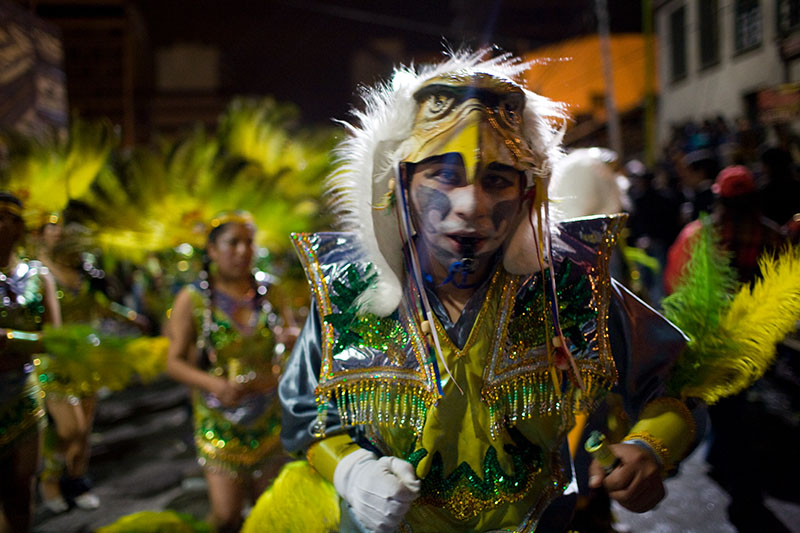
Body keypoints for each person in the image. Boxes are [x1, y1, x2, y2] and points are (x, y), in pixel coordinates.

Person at [278, 51, 697, 532]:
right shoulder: (353, 290)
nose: (471, 205)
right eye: (444, 174)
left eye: (496, 179)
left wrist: (649, 448)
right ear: (400, 184)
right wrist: (351, 471)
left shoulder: (573, 286)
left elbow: (677, 382)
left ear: (526, 192)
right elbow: (305, 410)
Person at [166, 212, 284, 533]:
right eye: (233, 243)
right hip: (219, 422)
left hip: (269, 418)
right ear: (212, 250)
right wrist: (214, 384)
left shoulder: (270, 292)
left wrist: (282, 362)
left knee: (269, 513)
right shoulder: (192, 300)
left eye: (249, 242)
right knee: (227, 517)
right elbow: (173, 361)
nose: (243, 251)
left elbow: (288, 345)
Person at [0, 192, 61, 532]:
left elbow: (55, 339)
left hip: (23, 395)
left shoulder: (38, 276)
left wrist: (10, 339)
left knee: (21, 494)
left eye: (2, 218)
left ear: (18, 225)